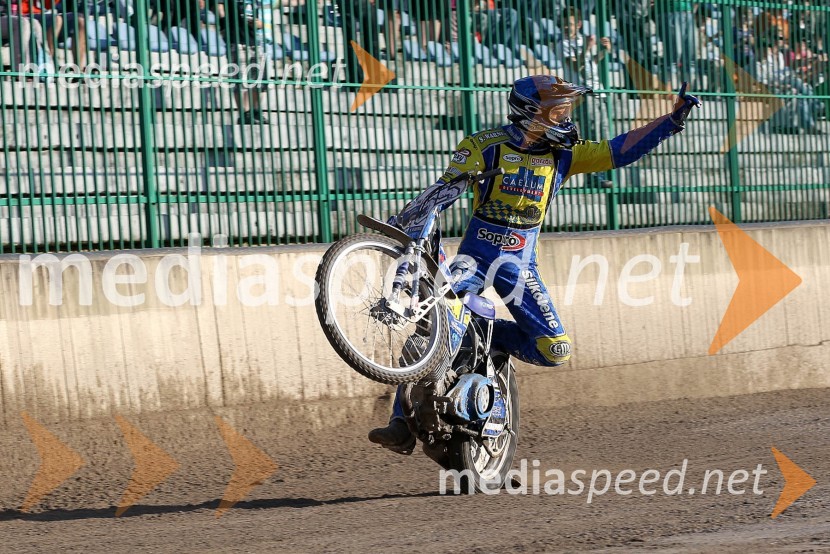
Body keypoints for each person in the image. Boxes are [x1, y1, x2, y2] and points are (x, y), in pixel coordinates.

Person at [368, 75, 701, 451]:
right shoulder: (484, 145)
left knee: (555, 350)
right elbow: (444, 190)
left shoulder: (566, 154)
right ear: (531, 113)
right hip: (474, 260)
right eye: (558, 111)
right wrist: (413, 218)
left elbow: (618, 150)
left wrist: (671, 121)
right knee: (435, 325)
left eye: (567, 110)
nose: (566, 118)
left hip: (520, 267)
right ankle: (400, 421)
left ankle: (488, 333)